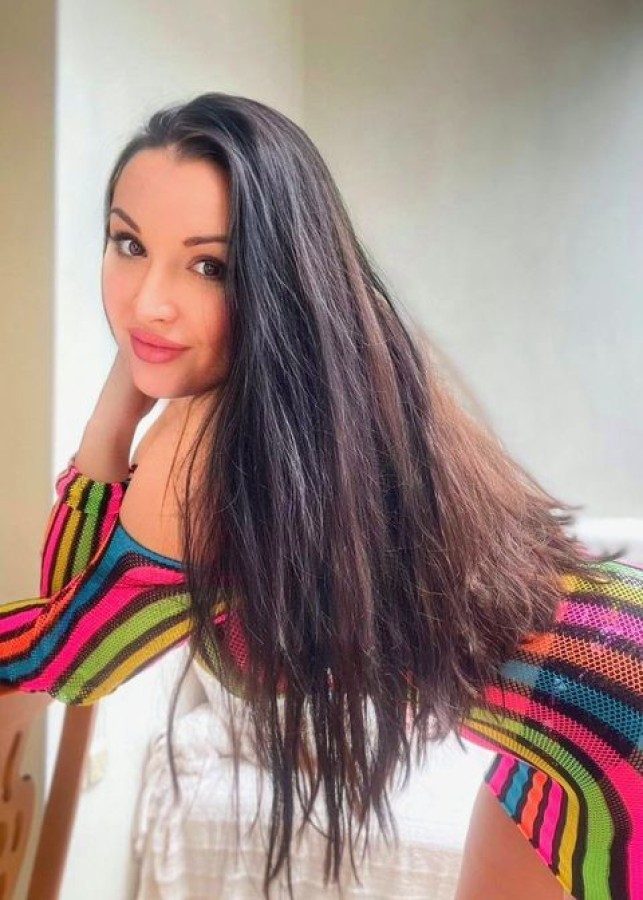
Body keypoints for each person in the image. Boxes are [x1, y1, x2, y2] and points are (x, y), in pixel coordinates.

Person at [1, 93, 641, 900]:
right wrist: (115, 413)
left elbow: (64, 656)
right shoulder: (322, 395)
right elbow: (75, 615)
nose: (148, 301)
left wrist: (113, 423)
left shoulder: (205, 449)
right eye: (128, 244)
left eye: (209, 266)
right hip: (576, 724)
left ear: (278, 278)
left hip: (617, 726)